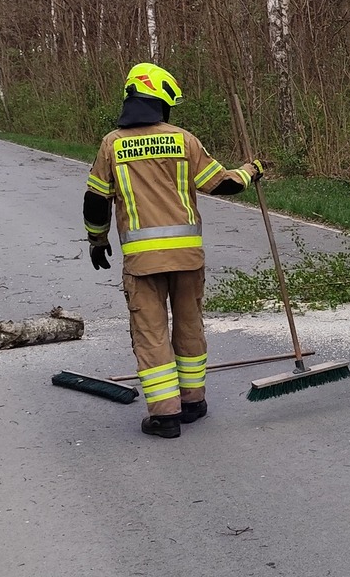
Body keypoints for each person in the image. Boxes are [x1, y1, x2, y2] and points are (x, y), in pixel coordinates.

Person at [83, 63, 262, 439]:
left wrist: (97, 240)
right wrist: (250, 170)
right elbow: (222, 184)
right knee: (189, 326)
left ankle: (165, 416)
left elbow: (96, 200)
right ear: (161, 101)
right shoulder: (184, 140)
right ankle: (193, 402)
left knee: (151, 334)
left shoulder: (112, 144)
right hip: (187, 258)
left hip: (143, 262)